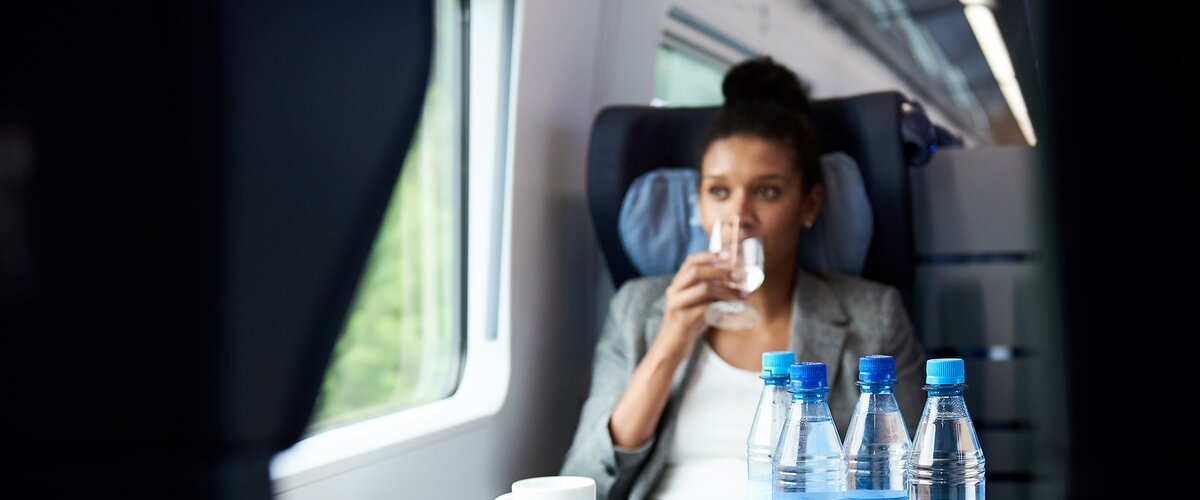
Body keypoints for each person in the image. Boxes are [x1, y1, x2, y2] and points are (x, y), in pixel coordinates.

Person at [560, 57, 926, 500]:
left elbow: (909, 483)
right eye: (719, 191)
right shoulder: (638, 308)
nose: (738, 216)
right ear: (698, 203)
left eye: (766, 191)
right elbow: (584, 482)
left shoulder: (874, 316)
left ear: (809, 205)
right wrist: (669, 344)